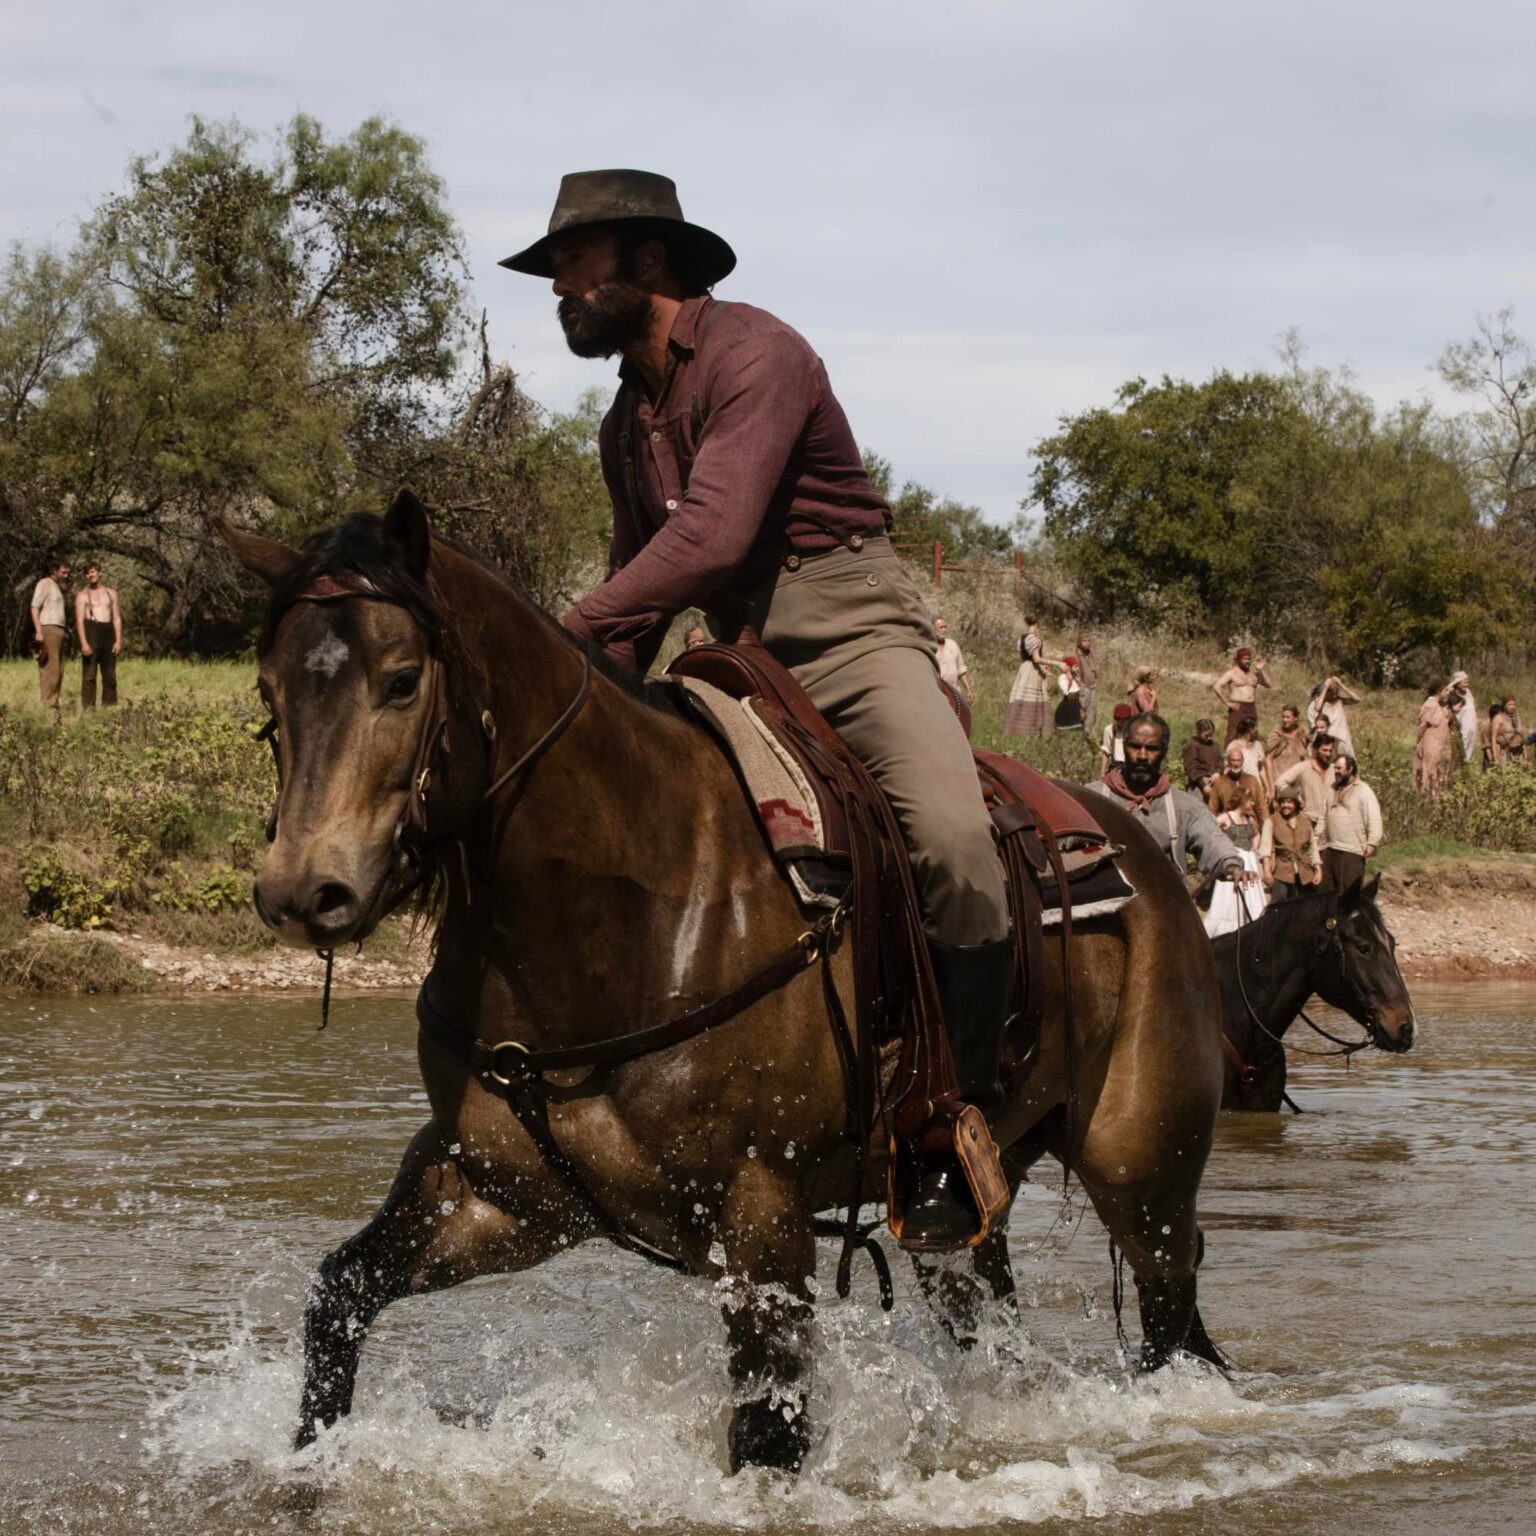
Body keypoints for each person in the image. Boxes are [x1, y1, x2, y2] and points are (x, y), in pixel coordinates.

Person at [504, 169, 1011, 1246]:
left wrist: (569, 633)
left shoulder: (758, 352)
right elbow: (642, 589)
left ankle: (950, 1119)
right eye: (552, 268)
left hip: (850, 624)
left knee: (959, 847)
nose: (557, 285)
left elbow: (711, 541)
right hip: (732, 646)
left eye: (575, 262)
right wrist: (578, 707)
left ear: (648, 261)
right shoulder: (624, 423)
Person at [1086, 713, 1250, 884]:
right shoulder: (1091, 798)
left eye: (1152, 749)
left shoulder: (1183, 806)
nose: (1142, 755)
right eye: (1135, 746)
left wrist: (1230, 864)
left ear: (1163, 752)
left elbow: (1212, 839)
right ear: (1124, 746)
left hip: (1164, 902)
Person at [1205, 783, 1267, 937]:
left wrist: (1254, 849)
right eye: (1250, 800)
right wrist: (1223, 848)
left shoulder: (1249, 819)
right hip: (1233, 861)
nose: (1252, 803)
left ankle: (1251, 929)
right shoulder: (1226, 817)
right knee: (1230, 898)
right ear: (1242, 800)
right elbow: (1210, 829)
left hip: (1249, 861)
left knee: (1252, 896)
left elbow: (1257, 834)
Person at [1322, 753, 1382, 892]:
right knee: (1327, 892)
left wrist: (1372, 843)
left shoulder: (1363, 790)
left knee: (1348, 892)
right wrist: (1318, 837)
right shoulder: (1332, 789)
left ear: (1350, 769)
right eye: (1335, 768)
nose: (1336, 771)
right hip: (1330, 847)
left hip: (1352, 850)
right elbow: (1322, 815)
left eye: (1339, 768)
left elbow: (1374, 817)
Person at [1260, 783, 1322, 900]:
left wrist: (1318, 869)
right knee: (1280, 904)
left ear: (1295, 803)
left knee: (1306, 904)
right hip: (1281, 871)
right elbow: (1265, 848)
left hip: (1305, 871)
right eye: (1282, 802)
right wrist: (1267, 870)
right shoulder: (1272, 821)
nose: (1285, 805)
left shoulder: (1305, 822)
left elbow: (1312, 847)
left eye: (1288, 802)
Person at [74, 560, 122, 709]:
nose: (90, 575)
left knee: (109, 675)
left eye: (92, 571)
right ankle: (88, 709)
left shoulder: (111, 593)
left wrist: (118, 641)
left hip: (108, 634)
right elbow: (79, 621)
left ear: (99, 572)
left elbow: (116, 618)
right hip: (91, 634)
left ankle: (109, 707)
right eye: (87, 573)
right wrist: (84, 643)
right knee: (89, 675)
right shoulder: (82, 596)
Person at [1003, 616, 1060, 738]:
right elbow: (1037, 659)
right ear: (1037, 623)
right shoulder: (1035, 640)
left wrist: (1044, 669)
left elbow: (1020, 657)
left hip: (1024, 669)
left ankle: (1018, 731)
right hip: (1032, 671)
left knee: (1022, 697)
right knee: (1034, 699)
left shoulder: (1021, 639)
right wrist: (1058, 663)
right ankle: (1033, 732)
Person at [1275, 733, 1337, 840]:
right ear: (1316, 749)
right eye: (1324, 750)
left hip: (1330, 822)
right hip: (1309, 820)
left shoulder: (1334, 770)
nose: (1328, 754)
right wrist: (1296, 798)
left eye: (1330, 751)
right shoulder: (1304, 767)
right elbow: (1280, 782)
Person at [29, 555, 71, 715]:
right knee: (50, 671)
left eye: (67, 573)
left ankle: (54, 707)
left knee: (59, 671)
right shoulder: (45, 583)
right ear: (54, 571)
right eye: (63, 572)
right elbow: (34, 607)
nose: (66, 576)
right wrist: (39, 631)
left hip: (59, 630)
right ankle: (48, 710)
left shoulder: (56, 586)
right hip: (48, 629)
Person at [1212, 647, 1272, 744]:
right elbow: (1216, 686)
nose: (1247, 661)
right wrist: (1227, 702)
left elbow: (1270, 684)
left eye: (1248, 659)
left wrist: (1261, 670)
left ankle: (1252, 756)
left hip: (1251, 707)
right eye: (1244, 659)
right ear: (1238, 660)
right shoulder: (1232, 673)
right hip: (1238, 707)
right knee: (1233, 733)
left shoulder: (1254, 674)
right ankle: (1228, 756)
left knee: (1252, 733)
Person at [1207, 743, 1269, 829]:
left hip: (1251, 826)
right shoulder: (1219, 783)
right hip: (1229, 827)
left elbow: (1262, 807)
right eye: (1233, 760)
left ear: (1243, 761)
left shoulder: (1252, 780)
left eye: (1238, 760)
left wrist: (1266, 829)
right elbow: (1212, 810)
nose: (1236, 764)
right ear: (1228, 761)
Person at [1413, 684, 1451, 796]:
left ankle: (1435, 797)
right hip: (1431, 745)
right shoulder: (1430, 704)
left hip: (1439, 745)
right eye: (1446, 689)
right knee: (1429, 772)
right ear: (1439, 691)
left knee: (1438, 773)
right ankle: (1427, 798)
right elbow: (1423, 725)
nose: (1448, 692)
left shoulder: (1438, 705)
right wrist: (1417, 742)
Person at [1312, 675, 1360, 756]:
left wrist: (1341, 685)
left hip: (1342, 736)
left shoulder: (1339, 701)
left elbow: (1357, 699)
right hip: (1327, 737)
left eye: (1335, 692)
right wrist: (1326, 687)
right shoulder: (1321, 701)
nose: (1333, 695)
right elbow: (1317, 708)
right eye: (1331, 693)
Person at [933, 615, 974, 705]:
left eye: (945, 627)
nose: (944, 630)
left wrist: (969, 689)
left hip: (955, 693)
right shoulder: (930, 647)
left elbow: (961, 669)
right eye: (941, 627)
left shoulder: (952, 645)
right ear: (933, 629)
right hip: (937, 694)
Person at [1265, 705, 1308, 789]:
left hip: (1298, 780)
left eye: (1288, 717)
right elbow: (1268, 759)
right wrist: (1271, 785)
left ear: (1295, 718)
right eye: (1283, 717)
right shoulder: (1277, 735)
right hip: (1281, 779)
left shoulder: (1302, 735)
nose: (1285, 720)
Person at [1181, 717, 1222, 796]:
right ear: (1198, 732)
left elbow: (1220, 761)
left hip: (1215, 781)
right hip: (1199, 784)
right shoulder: (1192, 745)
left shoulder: (1214, 745)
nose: (1209, 738)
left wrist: (1217, 773)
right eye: (1206, 735)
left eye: (1211, 735)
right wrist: (1203, 785)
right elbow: (1192, 767)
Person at [1481, 699, 1522, 770]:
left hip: (1501, 756)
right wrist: (1493, 760)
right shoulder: (1486, 729)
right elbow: (1487, 747)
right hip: (1490, 759)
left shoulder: (1502, 727)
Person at [1448, 671, 1477, 764]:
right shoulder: (1451, 694)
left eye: (1467, 682)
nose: (1466, 684)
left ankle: (1467, 768)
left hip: (1472, 726)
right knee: (1461, 750)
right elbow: (1446, 690)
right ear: (1457, 683)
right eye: (1464, 682)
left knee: (1471, 748)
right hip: (1460, 727)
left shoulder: (1468, 692)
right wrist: (1454, 682)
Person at [1073, 634, 1099, 731]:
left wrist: (1096, 681)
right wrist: (1079, 682)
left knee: (1091, 713)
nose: (1087, 643)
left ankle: (1088, 735)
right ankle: (1077, 734)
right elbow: (1072, 670)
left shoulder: (1090, 654)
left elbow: (1095, 670)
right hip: (1082, 688)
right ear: (1079, 642)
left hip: (1092, 688)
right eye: (1084, 641)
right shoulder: (1075, 654)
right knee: (1081, 712)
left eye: (1088, 641)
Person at [1100, 701, 1134, 778]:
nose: (1123, 722)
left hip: (1131, 767)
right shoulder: (1109, 730)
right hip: (1116, 767)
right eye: (1120, 720)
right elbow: (1106, 752)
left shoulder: (1134, 731)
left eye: (1126, 719)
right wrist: (1103, 773)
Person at [1054, 655, 1084, 732]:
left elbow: (1079, 689)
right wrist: (1070, 681)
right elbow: (1066, 692)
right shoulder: (1063, 677)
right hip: (1068, 702)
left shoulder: (1075, 676)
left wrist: (1078, 682)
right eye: (1075, 666)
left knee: (1078, 722)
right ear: (1069, 667)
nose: (1077, 669)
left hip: (1076, 702)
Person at [1232, 714, 1264, 782]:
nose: (1257, 729)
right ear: (1250, 729)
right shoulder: (1234, 745)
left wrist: (1269, 788)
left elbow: (1261, 769)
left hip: (1256, 785)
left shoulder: (1257, 745)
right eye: (1256, 727)